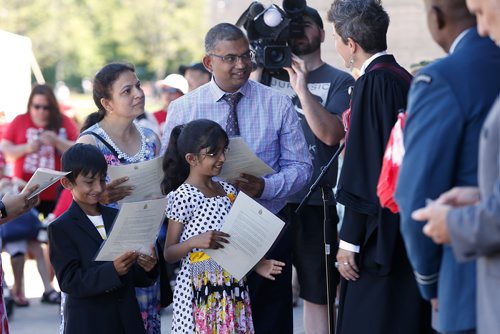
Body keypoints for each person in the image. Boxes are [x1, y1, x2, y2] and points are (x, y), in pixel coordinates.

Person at [161, 23, 312, 334]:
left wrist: (266, 187)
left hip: (264, 228)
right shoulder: (183, 109)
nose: (241, 64)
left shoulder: (277, 103)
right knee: (217, 324)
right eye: (230, 58)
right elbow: (170, 175)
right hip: (208, 244)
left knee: (270, 321)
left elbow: (302, 167)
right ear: (209, 62)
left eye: (247, 56)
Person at [327, 1, 432, 333]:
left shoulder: (373, 82)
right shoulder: (403, 77)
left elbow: (366, 164)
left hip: (379, 229)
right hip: (406, 218)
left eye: (335, 37)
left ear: (350, 43)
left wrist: (350, 240)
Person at [395, 0, 500, 332]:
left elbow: (415, 195)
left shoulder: (442, 78)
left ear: (436, 17)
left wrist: (429, 279)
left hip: (470, 280)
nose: (482, 28)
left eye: (484, 13)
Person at [260, 5, 354, 333]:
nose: (299, 29)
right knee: (269, 293)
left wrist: (302, 89)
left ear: (323, 33)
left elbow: (331, 133)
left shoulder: (340, 80)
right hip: (269, 200)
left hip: (316, 204)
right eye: (293, 25)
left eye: (307, 24)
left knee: (318, 295)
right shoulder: (267, 76)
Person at [162, 118, 285, 333]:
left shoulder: (228, 190)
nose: (222, 158)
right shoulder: (182, 196)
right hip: (200, 290)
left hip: (232, 286)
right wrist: (194, 242)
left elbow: (235, 239)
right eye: (213, 153)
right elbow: (169, 253)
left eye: (223, 151)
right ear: (191, 159)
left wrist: (259, 263)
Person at [77, 62, 162, 333]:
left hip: (144, 248)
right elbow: (73, 200)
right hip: (104, 254)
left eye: (138, 85)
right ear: (107, 102)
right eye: (127, 90)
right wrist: (99, 196)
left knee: (144, 322)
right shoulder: (89, 143)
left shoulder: (151, 139)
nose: (138, 93)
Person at [48, 143, 158, 334]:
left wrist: (147, 268)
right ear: (67, 183)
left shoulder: (117, 217)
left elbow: (135, 276)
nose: (98, 188)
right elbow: (70, 282)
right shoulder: (60, 228)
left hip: (126, 321)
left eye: (102, 179)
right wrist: (112, 271)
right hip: (88, 323)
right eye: (90, 182)